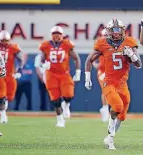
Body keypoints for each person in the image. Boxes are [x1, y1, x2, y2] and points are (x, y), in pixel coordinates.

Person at [85, 19, 142, 149]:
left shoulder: (129, 42)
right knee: (117, 106)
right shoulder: (102, 43)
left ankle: (110, 137)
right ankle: (110, 138)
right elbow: (89, 59)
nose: (116, 33)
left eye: (118, 30)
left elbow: (138, 64)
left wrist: (132, 55)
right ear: (109, 32)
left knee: (122, 116)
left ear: (122, 30)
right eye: (113, 30)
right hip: (109, 82)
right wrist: (87, 77)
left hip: (123, 84)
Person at [38, 26, 81, 127]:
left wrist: (78, 72)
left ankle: (66, 104)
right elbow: (42, 59)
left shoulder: (67, 44)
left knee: (68, 95)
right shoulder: (45, 45)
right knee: (55, 99)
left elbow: (76, 58)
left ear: (62, 35)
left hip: (64, 74)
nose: (56, 35)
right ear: (51, 35)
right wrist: (44, 64)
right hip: (51, 75)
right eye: (54, 33)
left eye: (58, 33)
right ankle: (60, 119)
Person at [0, 30, 25, 123]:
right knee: (1, 94)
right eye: (2, 40)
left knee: (10, 96)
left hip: (10, 74)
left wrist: (19, 69)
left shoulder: (14, 47)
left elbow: (21, 58)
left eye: (5, 40)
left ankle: (4, 103)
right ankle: (3, 115)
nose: (4, 42)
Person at [92, 29, 109, 122]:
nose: (106, 37)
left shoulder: (117, 45)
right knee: (105, 89)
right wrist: (95, 63)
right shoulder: (100, 45)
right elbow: (93, 56)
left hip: (113, 72)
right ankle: (105, 109)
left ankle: (106, 108)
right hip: (103, 71)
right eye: (105, 35)